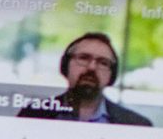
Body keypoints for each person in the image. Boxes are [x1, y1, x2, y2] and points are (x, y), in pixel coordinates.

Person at [17, 32, 152, 125]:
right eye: (83, 58)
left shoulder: (137, 124)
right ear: (65, 65)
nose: (92, 67)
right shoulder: (33, 114)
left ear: (112, 74)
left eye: (103, 62)